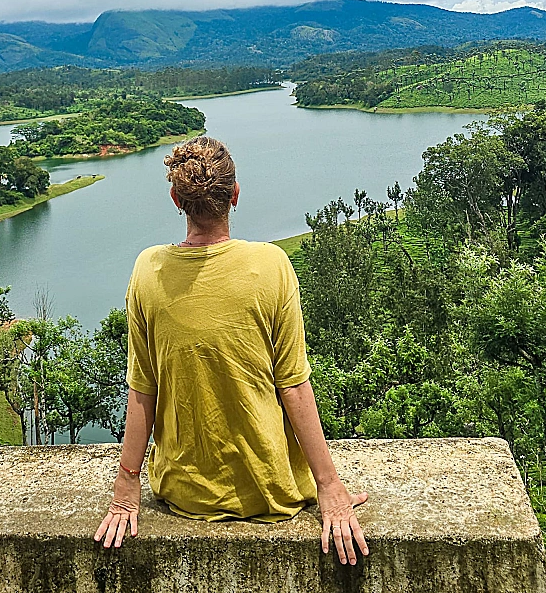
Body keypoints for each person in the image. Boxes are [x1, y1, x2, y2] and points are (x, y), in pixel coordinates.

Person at [94, 136, 369, 565]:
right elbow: (294, 387)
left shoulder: (149, 270)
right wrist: (330, 486)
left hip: (185, 492)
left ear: (176, 199)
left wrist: (127, 489)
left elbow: (142, 390)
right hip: (273, 490)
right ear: (235, 195)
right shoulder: (272, 265)